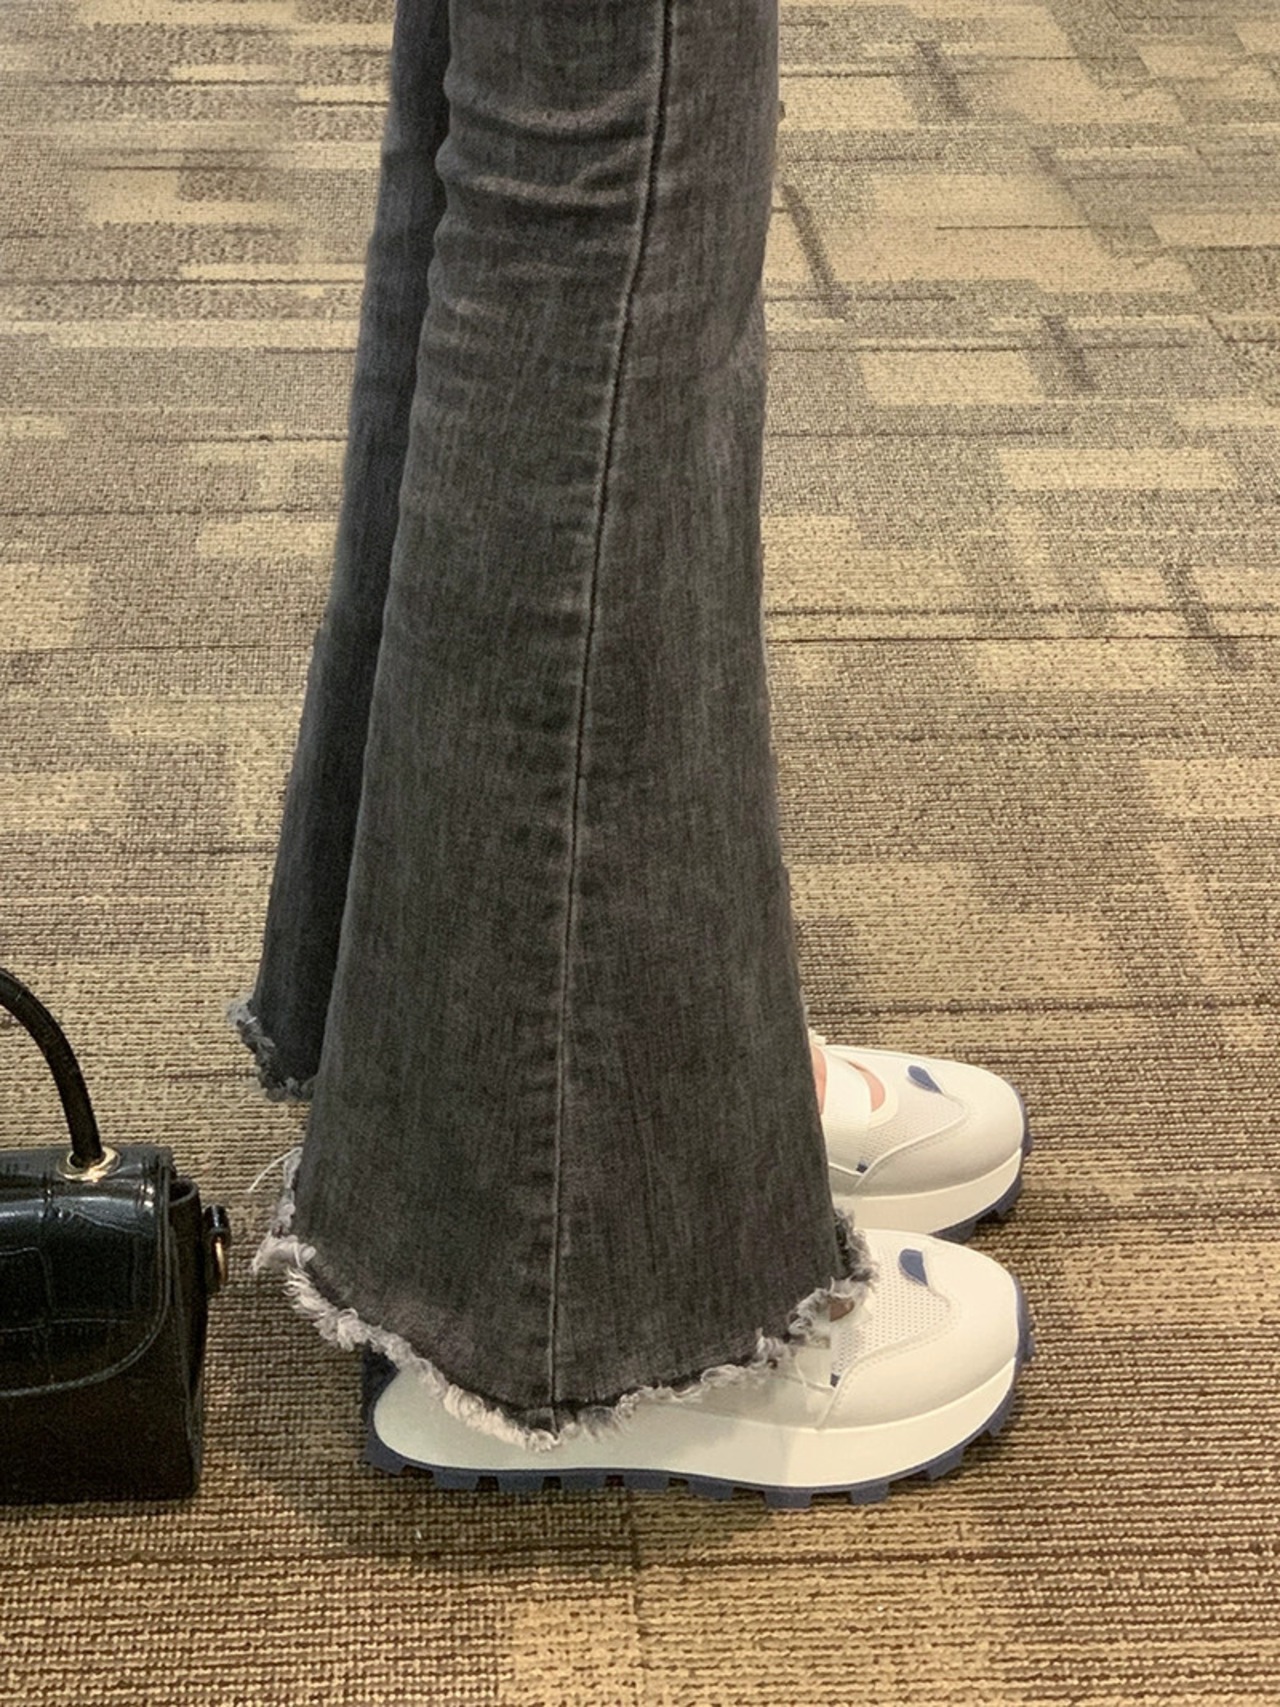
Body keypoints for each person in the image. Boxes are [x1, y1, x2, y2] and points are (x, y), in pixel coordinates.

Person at [227, 0, 1034, 1508]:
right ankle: (576, 1267)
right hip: (562, 1230)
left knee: (530, 127)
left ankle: (527, 1077)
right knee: (616, 168)